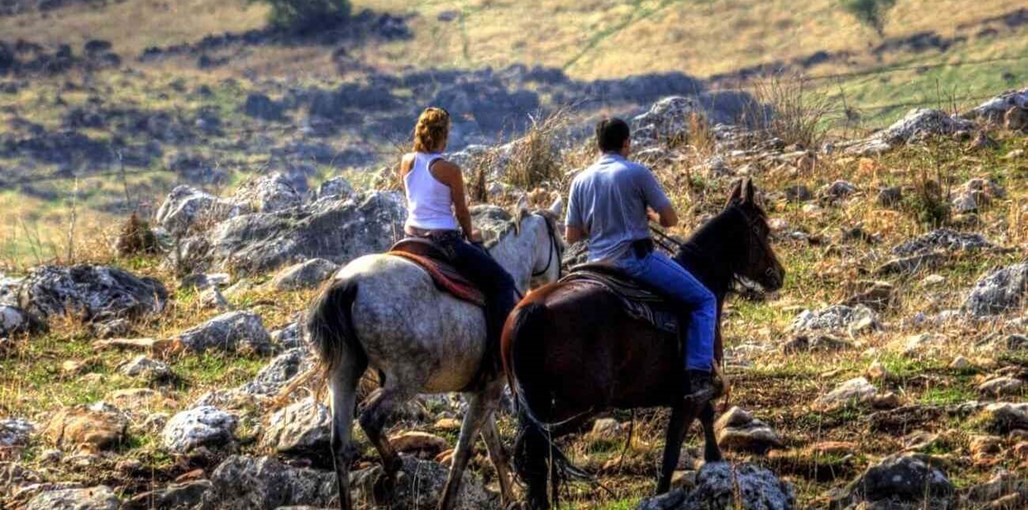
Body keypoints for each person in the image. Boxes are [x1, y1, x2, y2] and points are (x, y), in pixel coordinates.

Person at [565, 117, 718, 401]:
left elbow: (572, 235)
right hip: (633, 261)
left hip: (595, 265)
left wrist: (600, 224)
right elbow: (671, 220)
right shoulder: (636, 172)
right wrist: (649, 216)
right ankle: (698, 374)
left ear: (598, 145)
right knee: (704, 299)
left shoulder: (580, 180)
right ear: (626, 143)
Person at [400, 107, 518, 373]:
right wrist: (470, 233)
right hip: (443, 241)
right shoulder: (449, 169)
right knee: (502, 283)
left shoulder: (407, 161)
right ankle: (499, 359)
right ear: (444, 134)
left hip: (411, 237)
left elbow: (412, 196)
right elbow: (462, 211)